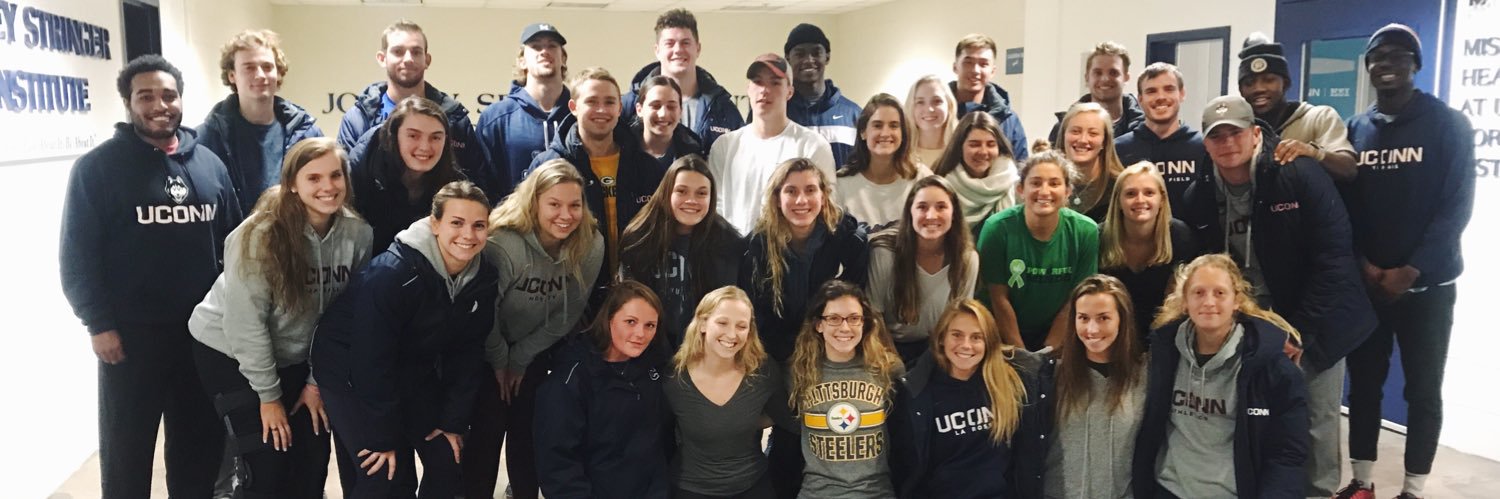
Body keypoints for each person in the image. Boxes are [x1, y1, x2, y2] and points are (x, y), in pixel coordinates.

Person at [61, 54, 242, 499]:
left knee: (198, 444)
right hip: (130, 338)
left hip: (201, 336)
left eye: (168, 95)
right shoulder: (98, 169)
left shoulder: (210, 166)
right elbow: (78, 255)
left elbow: (236, 248)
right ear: (128, 102)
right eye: (146, 96)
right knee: (128, 449)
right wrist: (98, 324)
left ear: (181, 99)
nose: (160, 104)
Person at [1179, 95, 1375, 499]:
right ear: (1206, 144)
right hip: (1249, 321)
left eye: (1236, 132)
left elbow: (1334, 261)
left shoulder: (1297, 175)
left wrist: (1299, 333)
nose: (1227, 142)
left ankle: (1318, 493)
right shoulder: (1198, 194)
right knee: (1255, 416)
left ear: (1255, 134)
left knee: (1314, 421)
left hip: (1318, 317)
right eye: (1217, 136)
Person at [188, 137, 372, 499]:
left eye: (335, 176)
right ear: (292, 184)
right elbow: (245, 324)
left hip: (300, 356)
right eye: (314, 178)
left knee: (312, 456)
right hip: (229, 350)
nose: (328, 187)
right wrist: (269, 399)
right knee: (268, 459)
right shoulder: (258, 236)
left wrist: (317, 382)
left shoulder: (358, 233)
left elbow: (347, 317)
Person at [1339, 24, 1475, 499]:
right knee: (1363, 390)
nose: (1385, 65)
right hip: (1370, 287)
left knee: (1422, 393)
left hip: (1427, 290)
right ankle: (1362, 481)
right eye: (1376, 58)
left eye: (1397, 57)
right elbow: (1346, 208)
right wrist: (1364, 266)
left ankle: (1413, 488)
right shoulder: (1356, 129)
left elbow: (1456, 206)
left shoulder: (1448, 124)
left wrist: (1410, 269)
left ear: (1414, 65)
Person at [311, 180, 497, 498]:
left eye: (478, 225)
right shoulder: (393, 274)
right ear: (434, 224)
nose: (468, 235)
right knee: (386, 476)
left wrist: (452, 422)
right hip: (348, 371)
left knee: (445, 461)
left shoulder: (483, 277)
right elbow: (370, 360)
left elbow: (469, 352)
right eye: (457, 222)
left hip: (409, 368)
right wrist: (383, 437)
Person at [465, 159, 606, 499]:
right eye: (554, 204)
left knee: (527, 432)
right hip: (485, 347)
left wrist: (521, 360)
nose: (566, 215)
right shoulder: (503, 244)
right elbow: (486, 314)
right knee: (486, 432)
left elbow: (569, 311)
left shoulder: (589, 242)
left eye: (574, 205)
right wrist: (501, 361)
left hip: (536, 350)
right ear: (534, 202)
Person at [739, 158, 867, 498]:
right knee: (790, 440)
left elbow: (855, 310)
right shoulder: (758, 246)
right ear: (777, 198)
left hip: (833, 353)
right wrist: (791, 359)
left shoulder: (848, 242)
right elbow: (758, 319)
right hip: (781, 356)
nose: (801, 200)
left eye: (811, 190)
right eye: (791, 191)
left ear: (824, 195)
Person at [1133, 254, 1309, 498]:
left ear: (1236, 300)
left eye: (1219, 293)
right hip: (1167, 489)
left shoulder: (1274, 369)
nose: (1208, 302)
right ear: (1185, 301)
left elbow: (1288, 453)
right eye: (1198, 292)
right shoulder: (1163, 353)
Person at [890, 298, 1055, 499]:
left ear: (988, 342)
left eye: (976, 337)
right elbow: (905, 467)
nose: (966, 345)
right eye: (957, 335)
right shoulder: (916, 391)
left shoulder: (1011, 382)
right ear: (941, 338)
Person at [534, 281, 673, 499]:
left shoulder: (656, 368)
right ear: (609, 320)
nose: (640, 334)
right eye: (630, 322)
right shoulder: (571, 379)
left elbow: (661, 443)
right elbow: (557, 462)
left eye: (650, 325)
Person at [530, 67, 672, 273]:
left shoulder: (647, 167)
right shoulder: (548, 165)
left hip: (634, 289)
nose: (601, 110)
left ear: (619, 108)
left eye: (609, 102)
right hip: (570, 289)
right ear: (573, 107)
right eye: (591, 101)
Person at [338, 20, 491, 197]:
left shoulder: (454, 119)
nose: (408, 59)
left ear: (427, 60)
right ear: (382, 58)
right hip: (375, 221)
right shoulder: (359, 119)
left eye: (416, 52)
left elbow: (474, 183)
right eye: (398, 51)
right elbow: (348, 187)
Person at [664, 286, 789, 499]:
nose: (732, 334)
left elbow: (786, 418)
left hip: (753, 485)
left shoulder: (763, 371)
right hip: (692, 489)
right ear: (703, 323)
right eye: (722, 323)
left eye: (742, 326)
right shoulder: (674, 377)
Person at [788, 280, 905, 498]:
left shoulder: (888, 369)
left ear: (865, 323)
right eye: (833, 318)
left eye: (854, 318)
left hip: (875, 492)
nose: (844, 327)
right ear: (818, 324)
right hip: (817, 492)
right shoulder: (798, 372)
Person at [976, 148, 1099, 351]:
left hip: (1057, 334)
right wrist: (1022, 354)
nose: (1044, 191)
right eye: (1035, 183)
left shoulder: (1086, 231)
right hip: (1001, 332)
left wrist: (1047, 353)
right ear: (1021, 189)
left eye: (1054, 183)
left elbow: (1075, 299)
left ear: (1067, 191)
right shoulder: (997, 228)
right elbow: (998, 298)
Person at [620, 155, 745, 350]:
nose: (691, 200)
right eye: (682, 191)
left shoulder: (728, 242)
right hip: (647, 344)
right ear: (667, 192)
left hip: (705, 347)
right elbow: (629, 304)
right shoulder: (638, 237)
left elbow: (726, 310)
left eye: (702, 193)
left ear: (711, 199)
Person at [198, 29, 324, 211]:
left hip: (294, 238)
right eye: (249, 67)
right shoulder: (209, 137)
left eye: (267, 67)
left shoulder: (307, 134)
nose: (260, 75)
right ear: (232, 75)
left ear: (278, 73)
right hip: (232, 238)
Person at [1044, 275, 1146, 499]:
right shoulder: (1051, 375)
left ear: (1122, 319)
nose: (1092, 328)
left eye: (1103, 318)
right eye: (1083, 318)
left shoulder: (1145, 375)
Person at [710, 53, 836, 234]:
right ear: (748, 88)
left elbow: (826, 209)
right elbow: (716, 207)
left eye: (775, 83)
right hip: (735, 255)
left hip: (790, 257)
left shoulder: (812, 145)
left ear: (789, 92)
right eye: (758, 82)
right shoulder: (725, 146)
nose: (764, 90)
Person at [867, 175, 979, 365]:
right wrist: (895, 363)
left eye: (941, 207)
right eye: (922, 207)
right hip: (889, 344)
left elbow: (960, 318)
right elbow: (873, 314)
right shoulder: (885, 253)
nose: (931, 215)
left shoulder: (967, 259)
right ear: (910, 212)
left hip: (938, 346)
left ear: (954, 213)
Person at [1238, 32, 1358, 183]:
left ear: (1285, 83)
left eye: (1269, 80)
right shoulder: (1239, 131)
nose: (1259, 89)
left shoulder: (1318, 117)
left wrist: (1313, 153)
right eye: (1249, 83)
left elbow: (1348, 169)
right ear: (1241, 90)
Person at [1097, 162, 1197, 344]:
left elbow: (1177, 307)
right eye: (1130, 194)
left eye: (1149, 193)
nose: (1140, 200)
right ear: (1118, 201)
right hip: (1109, 337)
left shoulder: (1180, 236)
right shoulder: (1099, 237)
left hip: (1164, 335)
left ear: (1162, 200)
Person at [350, 96, 467, 251]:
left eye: (435, 137)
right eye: (413, 136)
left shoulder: (453, 182)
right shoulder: (362, 170)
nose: (425, 147)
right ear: (394, 135)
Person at [622, 8, 744, 150]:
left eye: (685, 42)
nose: (678, 50)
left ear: (698, 48)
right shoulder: (629, 106)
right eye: (670, 43)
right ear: (657, 50)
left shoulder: (722, 107)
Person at [477, 22, 574, 194]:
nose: (545, 51)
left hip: (572, 218)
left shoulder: (579, 114)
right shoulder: (496, 118)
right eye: (536, 47)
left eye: (552, 46)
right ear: (522, 61)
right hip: (515, 220)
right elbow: (483, 184)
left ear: (563, 58)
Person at [1114, 62, 1205, 209]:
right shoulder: (1118, 150)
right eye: (1151, 91)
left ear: (1182, 94)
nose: (1161, 97)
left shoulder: (1203, 148)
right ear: (1140, 99)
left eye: (1169, 89)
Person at [834, 93, 931, 227]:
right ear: (863, 132)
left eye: (894, 126)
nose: (885, 133)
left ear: (903, 133)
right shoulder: (841, 184)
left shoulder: (921, 178)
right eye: (877, 125)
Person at [783, 23, 862, 168]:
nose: (808, 60)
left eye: (816, 52)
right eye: (800, 54)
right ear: (788, 58)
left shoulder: (853, 114)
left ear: (827, 56)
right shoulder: (778, 113)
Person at [930, 111, 1019, 234]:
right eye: (974, 144)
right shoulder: (940, 185)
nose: (983, 151)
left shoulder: (1014, 184)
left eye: (991, 144)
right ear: (960, 146)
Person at [950, 33, 1028, 160]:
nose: (975, 70)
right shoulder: (938, 114)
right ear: (955, 67)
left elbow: (1020, 167)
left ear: (993, 71)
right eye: (968, 62)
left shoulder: (1008, 119)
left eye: (983, 64)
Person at [1048, 41, 1144, 144]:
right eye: (1098, 73)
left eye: (1113, 73)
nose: (1105, 79)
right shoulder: (1063, 128)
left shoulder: (1143, 128)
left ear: (1126, 77)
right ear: (1087, 77)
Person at [1056, 102, 1126, 222]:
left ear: (1104, 141)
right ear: (1063, 136)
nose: (1083, 140)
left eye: (1093, 133)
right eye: (1075, 131)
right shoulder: (1047, 185)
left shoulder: (1121, 187)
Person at [633, 75, 707, 168]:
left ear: (680, 111)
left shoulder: (694, 155)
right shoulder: (621, 147)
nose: (663, 114)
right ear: (639, 110)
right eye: (655, 106)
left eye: (671, 107)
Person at [905, 75, 960, 166]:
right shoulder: (900, 153)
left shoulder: (963, 150)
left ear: (949, 106)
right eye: (920, 102)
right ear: (911, 107)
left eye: (937, 101)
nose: (929, 109)